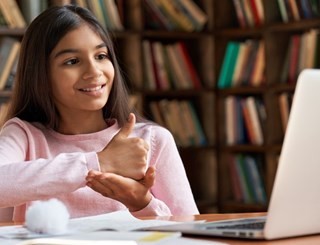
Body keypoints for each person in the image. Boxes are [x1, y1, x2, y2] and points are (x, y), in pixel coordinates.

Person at [0, 5, 199, 222]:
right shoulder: (24, 135)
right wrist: (99, 162)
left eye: (101, 56)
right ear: (41, 74)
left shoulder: (151, 140)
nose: (94, 71)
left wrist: (142, 204)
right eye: (72, 61)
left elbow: (191, 232)